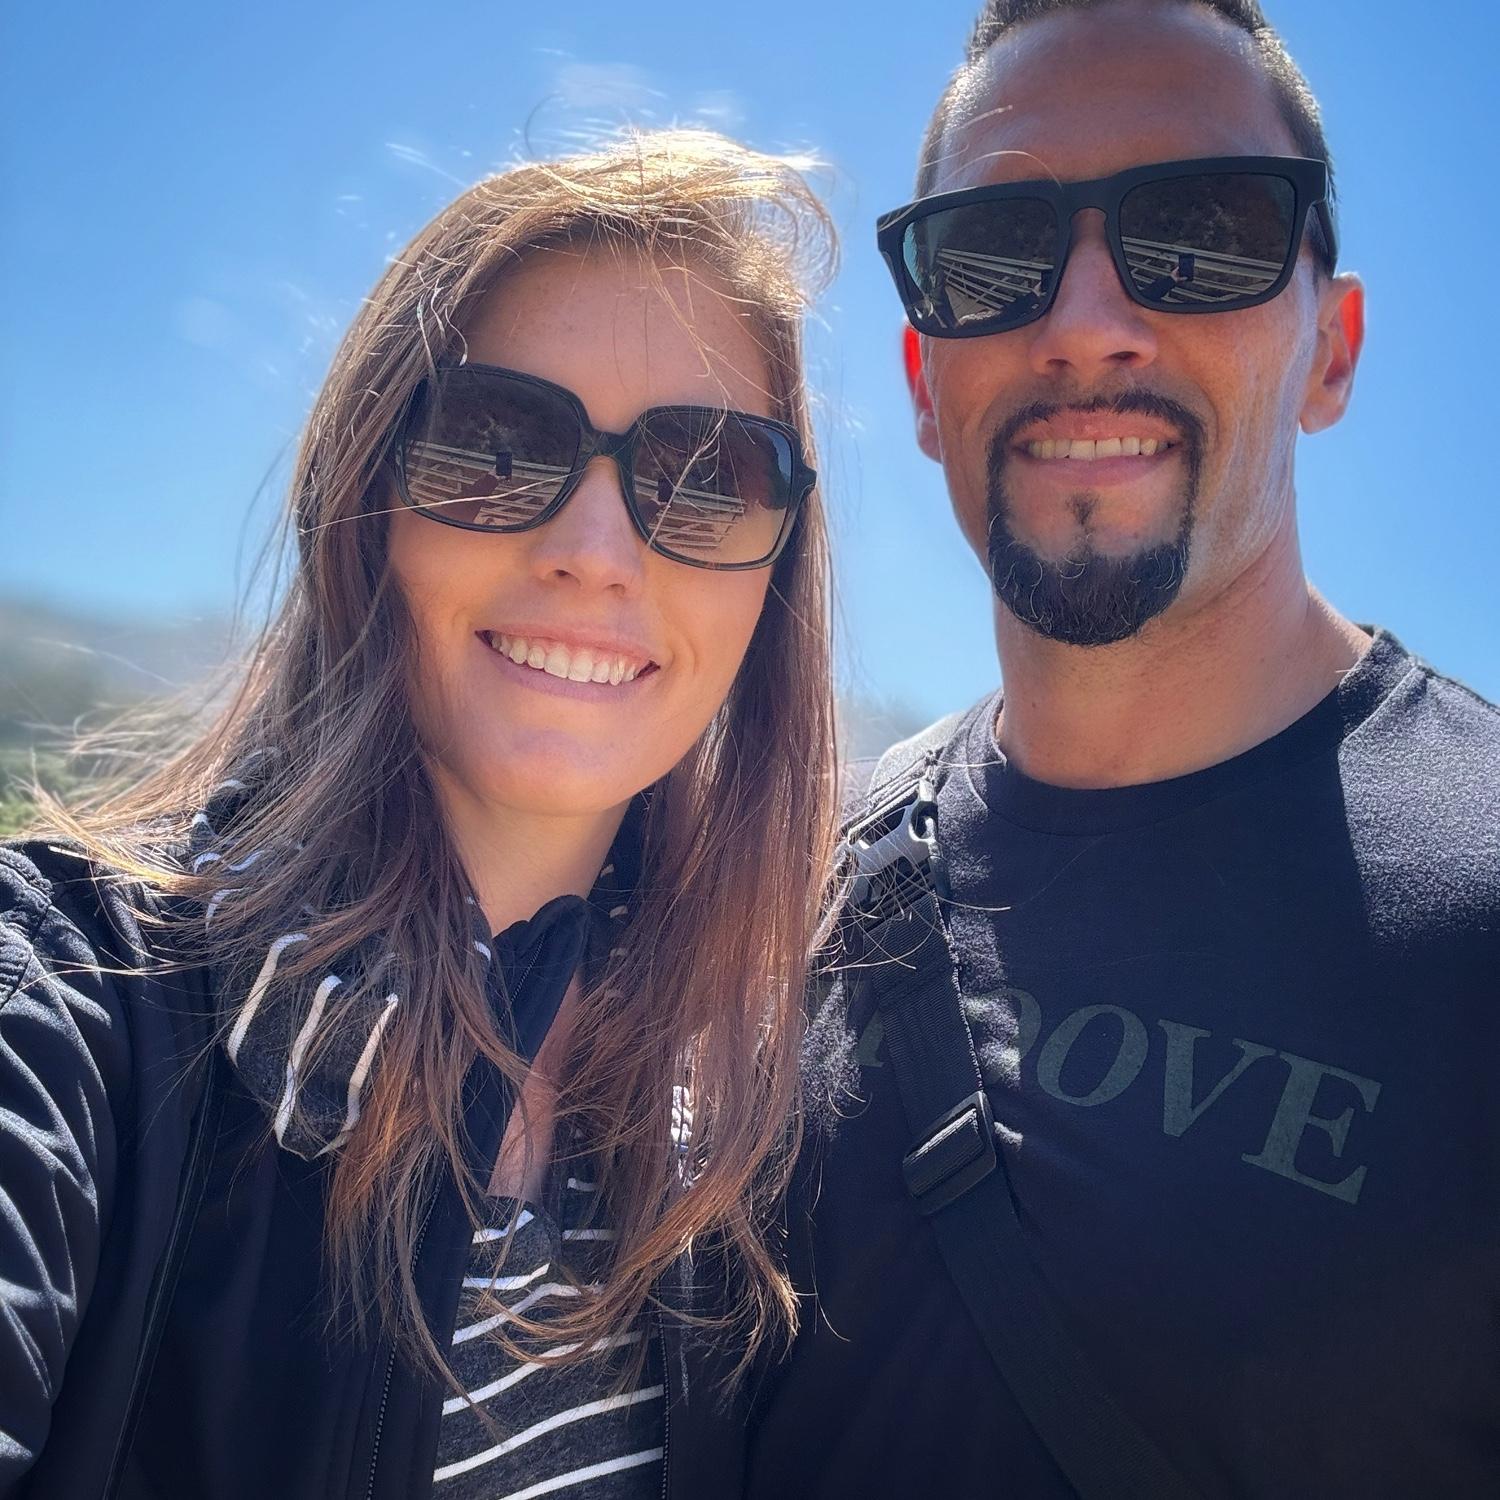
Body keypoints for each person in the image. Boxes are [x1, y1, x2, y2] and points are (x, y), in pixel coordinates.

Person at [0, 128, 838, 1500]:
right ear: (367, 499)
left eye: (706, 479)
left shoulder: (746, 1149)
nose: (596, 552)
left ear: (775, 577)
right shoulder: (70, 1005)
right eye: (498, 445)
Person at [743, 3, 1500, 1498]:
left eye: (1202, 232)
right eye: (992, 252)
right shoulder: (789, 897)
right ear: (923, 382)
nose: (1084, 322)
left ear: (1332, 351)